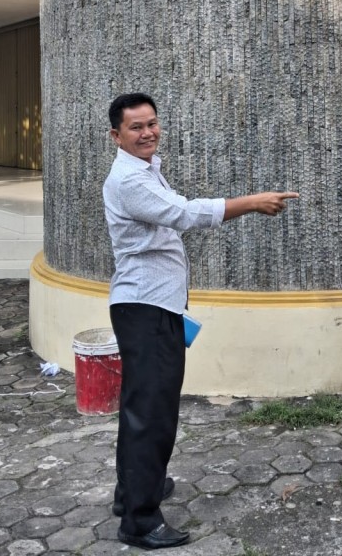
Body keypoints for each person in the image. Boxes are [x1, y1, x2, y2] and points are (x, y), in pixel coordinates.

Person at [104, 91, 298, 550]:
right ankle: (140, 521)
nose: (148, 133)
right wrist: (251, 202)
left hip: (155, 306)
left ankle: (134, 492)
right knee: (151, 414)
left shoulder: (145, 169)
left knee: (143, 408)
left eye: (152, 123)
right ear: (116, 135)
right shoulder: (129, 179)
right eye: (136, 127)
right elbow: (184, 214)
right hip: (145, 308)